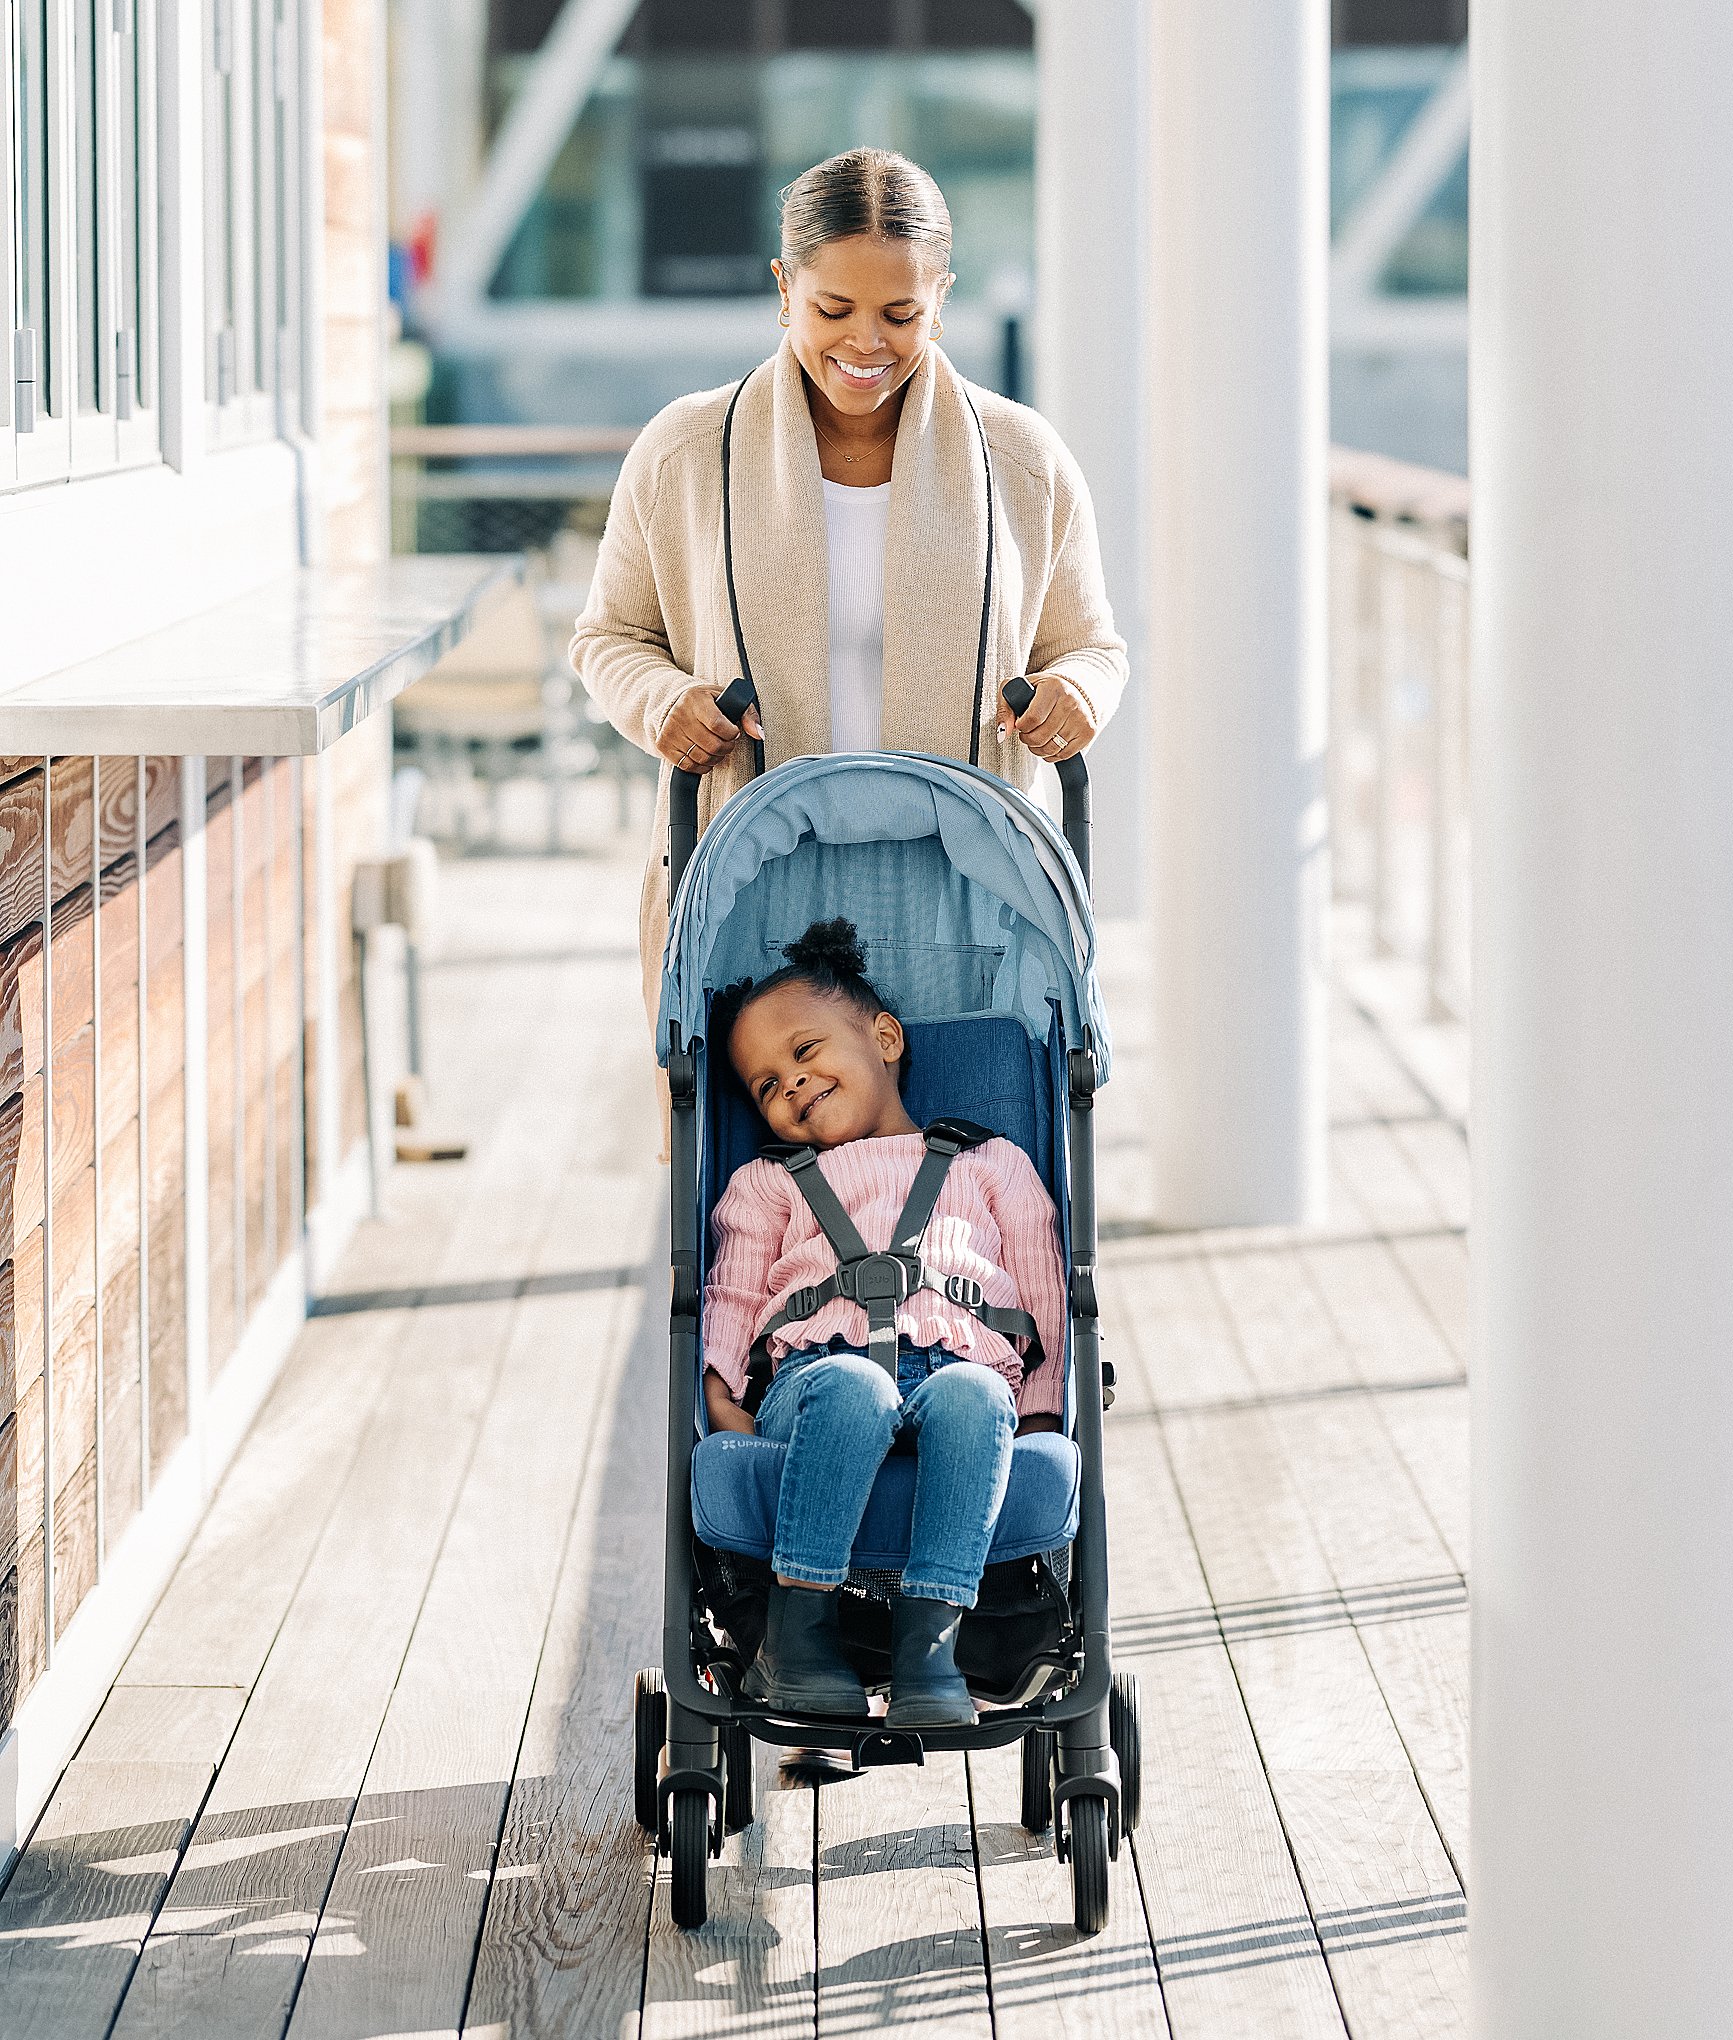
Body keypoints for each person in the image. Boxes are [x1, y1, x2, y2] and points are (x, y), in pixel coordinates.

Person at [571, 147, 1129, 1040]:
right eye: (834, 308)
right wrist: (662, 702)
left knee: (966, 1148)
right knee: (751, 1165)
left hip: (965, 897)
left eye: (900, 313)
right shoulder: (683, 452)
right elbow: (608, 636)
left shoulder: (1025, 462)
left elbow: (1090, 645)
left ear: (941, 299)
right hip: (747, 887)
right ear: (783, 289)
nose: (867, 343)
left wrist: (1078, 693)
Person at [701, 919, 1066, 1729]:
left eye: (803, 1052)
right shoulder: (771, 1182)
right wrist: (720, 1386)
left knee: (976, 1395)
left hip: (963, 1370)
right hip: (818, 1379)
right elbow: (729, 1289)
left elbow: (1044, 1294)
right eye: (764, 1085)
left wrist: (1042, 1404)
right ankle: (798, 1640)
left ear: (886, 1038)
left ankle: (928, 1651)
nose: (788, 1085)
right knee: (856, 1386)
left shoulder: (990, 1163)